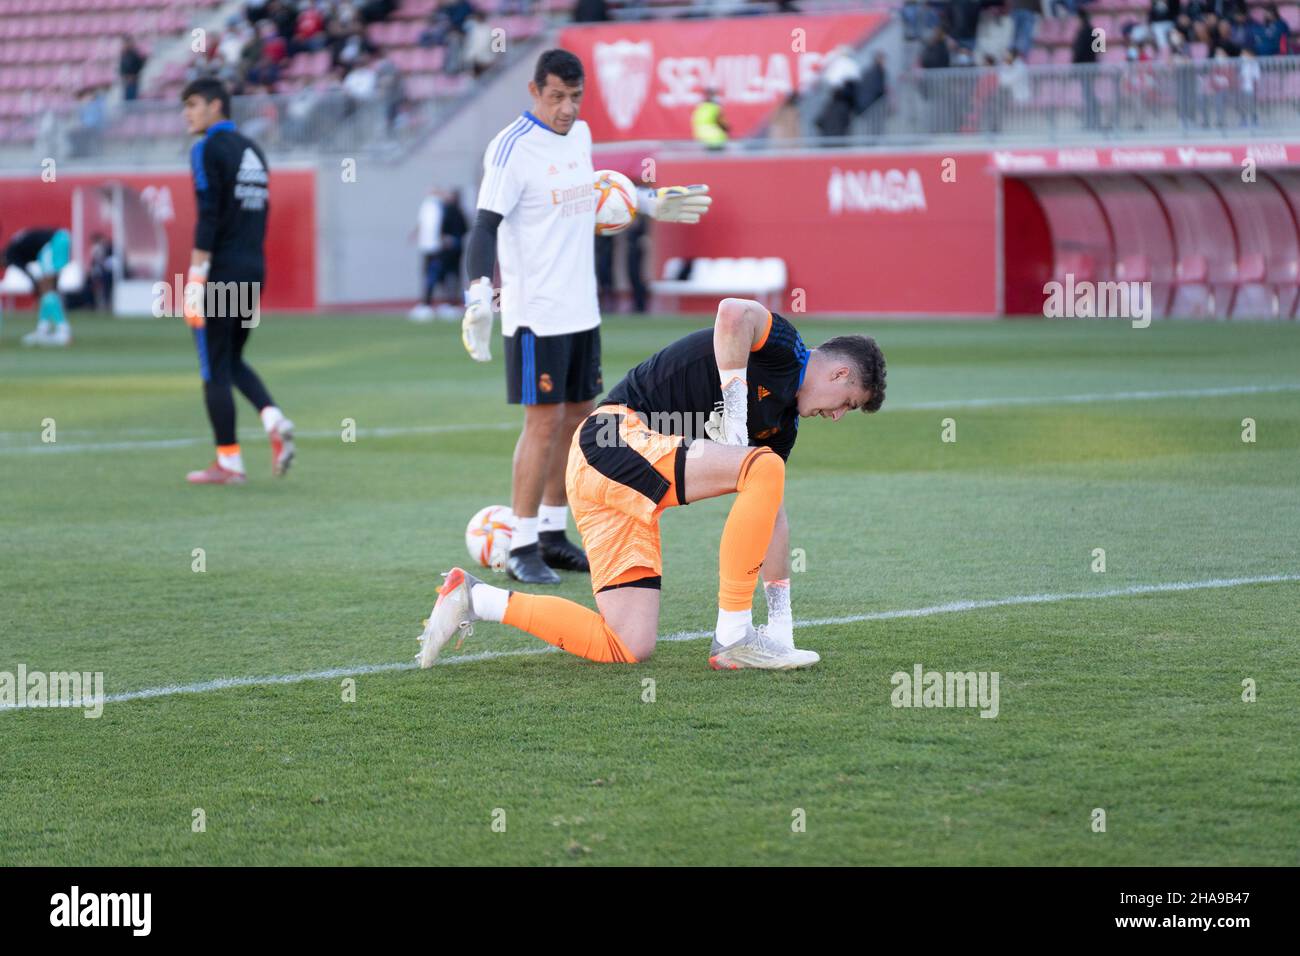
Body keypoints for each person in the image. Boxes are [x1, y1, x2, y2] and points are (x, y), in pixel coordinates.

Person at [418, 298, 886, 670]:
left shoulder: (782, 427)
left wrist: (782, 624)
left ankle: (474, 597)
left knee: (627, 644)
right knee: (762, 467)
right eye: (848, 401)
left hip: (612, 479)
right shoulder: (786, 346)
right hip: (609, 438)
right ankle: (733, 636)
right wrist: (736, 408)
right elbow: (731, 313)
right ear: (839, 373)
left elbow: (771, 513)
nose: (839, 416)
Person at [458, 49, 712, 584]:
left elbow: (587, 188)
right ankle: (521, 543)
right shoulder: (510, 148)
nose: (566, 108)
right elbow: (483, 226)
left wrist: (644, 202)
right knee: (542, 422)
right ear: (534, 91)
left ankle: (552, 534)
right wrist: (479, 293)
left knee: (578, 421)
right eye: (555, 97)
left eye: (574, 97)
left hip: (581, 309)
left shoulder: (579, 135)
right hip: (535, 314)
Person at [179, 77, 294, 485]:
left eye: (192, 104)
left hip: (221, 272)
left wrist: (195, 278)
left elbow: (209, 215)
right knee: (232, 360)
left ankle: (228, 463)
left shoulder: (205, 148)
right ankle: (273, 416)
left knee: (212, 367)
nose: (186, 113)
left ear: (215, 106)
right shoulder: (254, 150)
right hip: (252, 269)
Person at [3, 227, 74, 347]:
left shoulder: (10, 255)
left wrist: (37, 289)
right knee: (50, 290)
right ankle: (43, 329)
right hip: (63, 238)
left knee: (46, 288)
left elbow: (28, 273)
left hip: (52, 244)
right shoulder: (14, 247)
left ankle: (63, 331)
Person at [119, 36, 145, 101]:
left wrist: (133, 76)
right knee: (127, 99)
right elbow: (122, 68)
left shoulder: (134, 54)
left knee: (132, 99)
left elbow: (139, 65)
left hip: (133, 80)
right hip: (126, 81)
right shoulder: (124, 54)